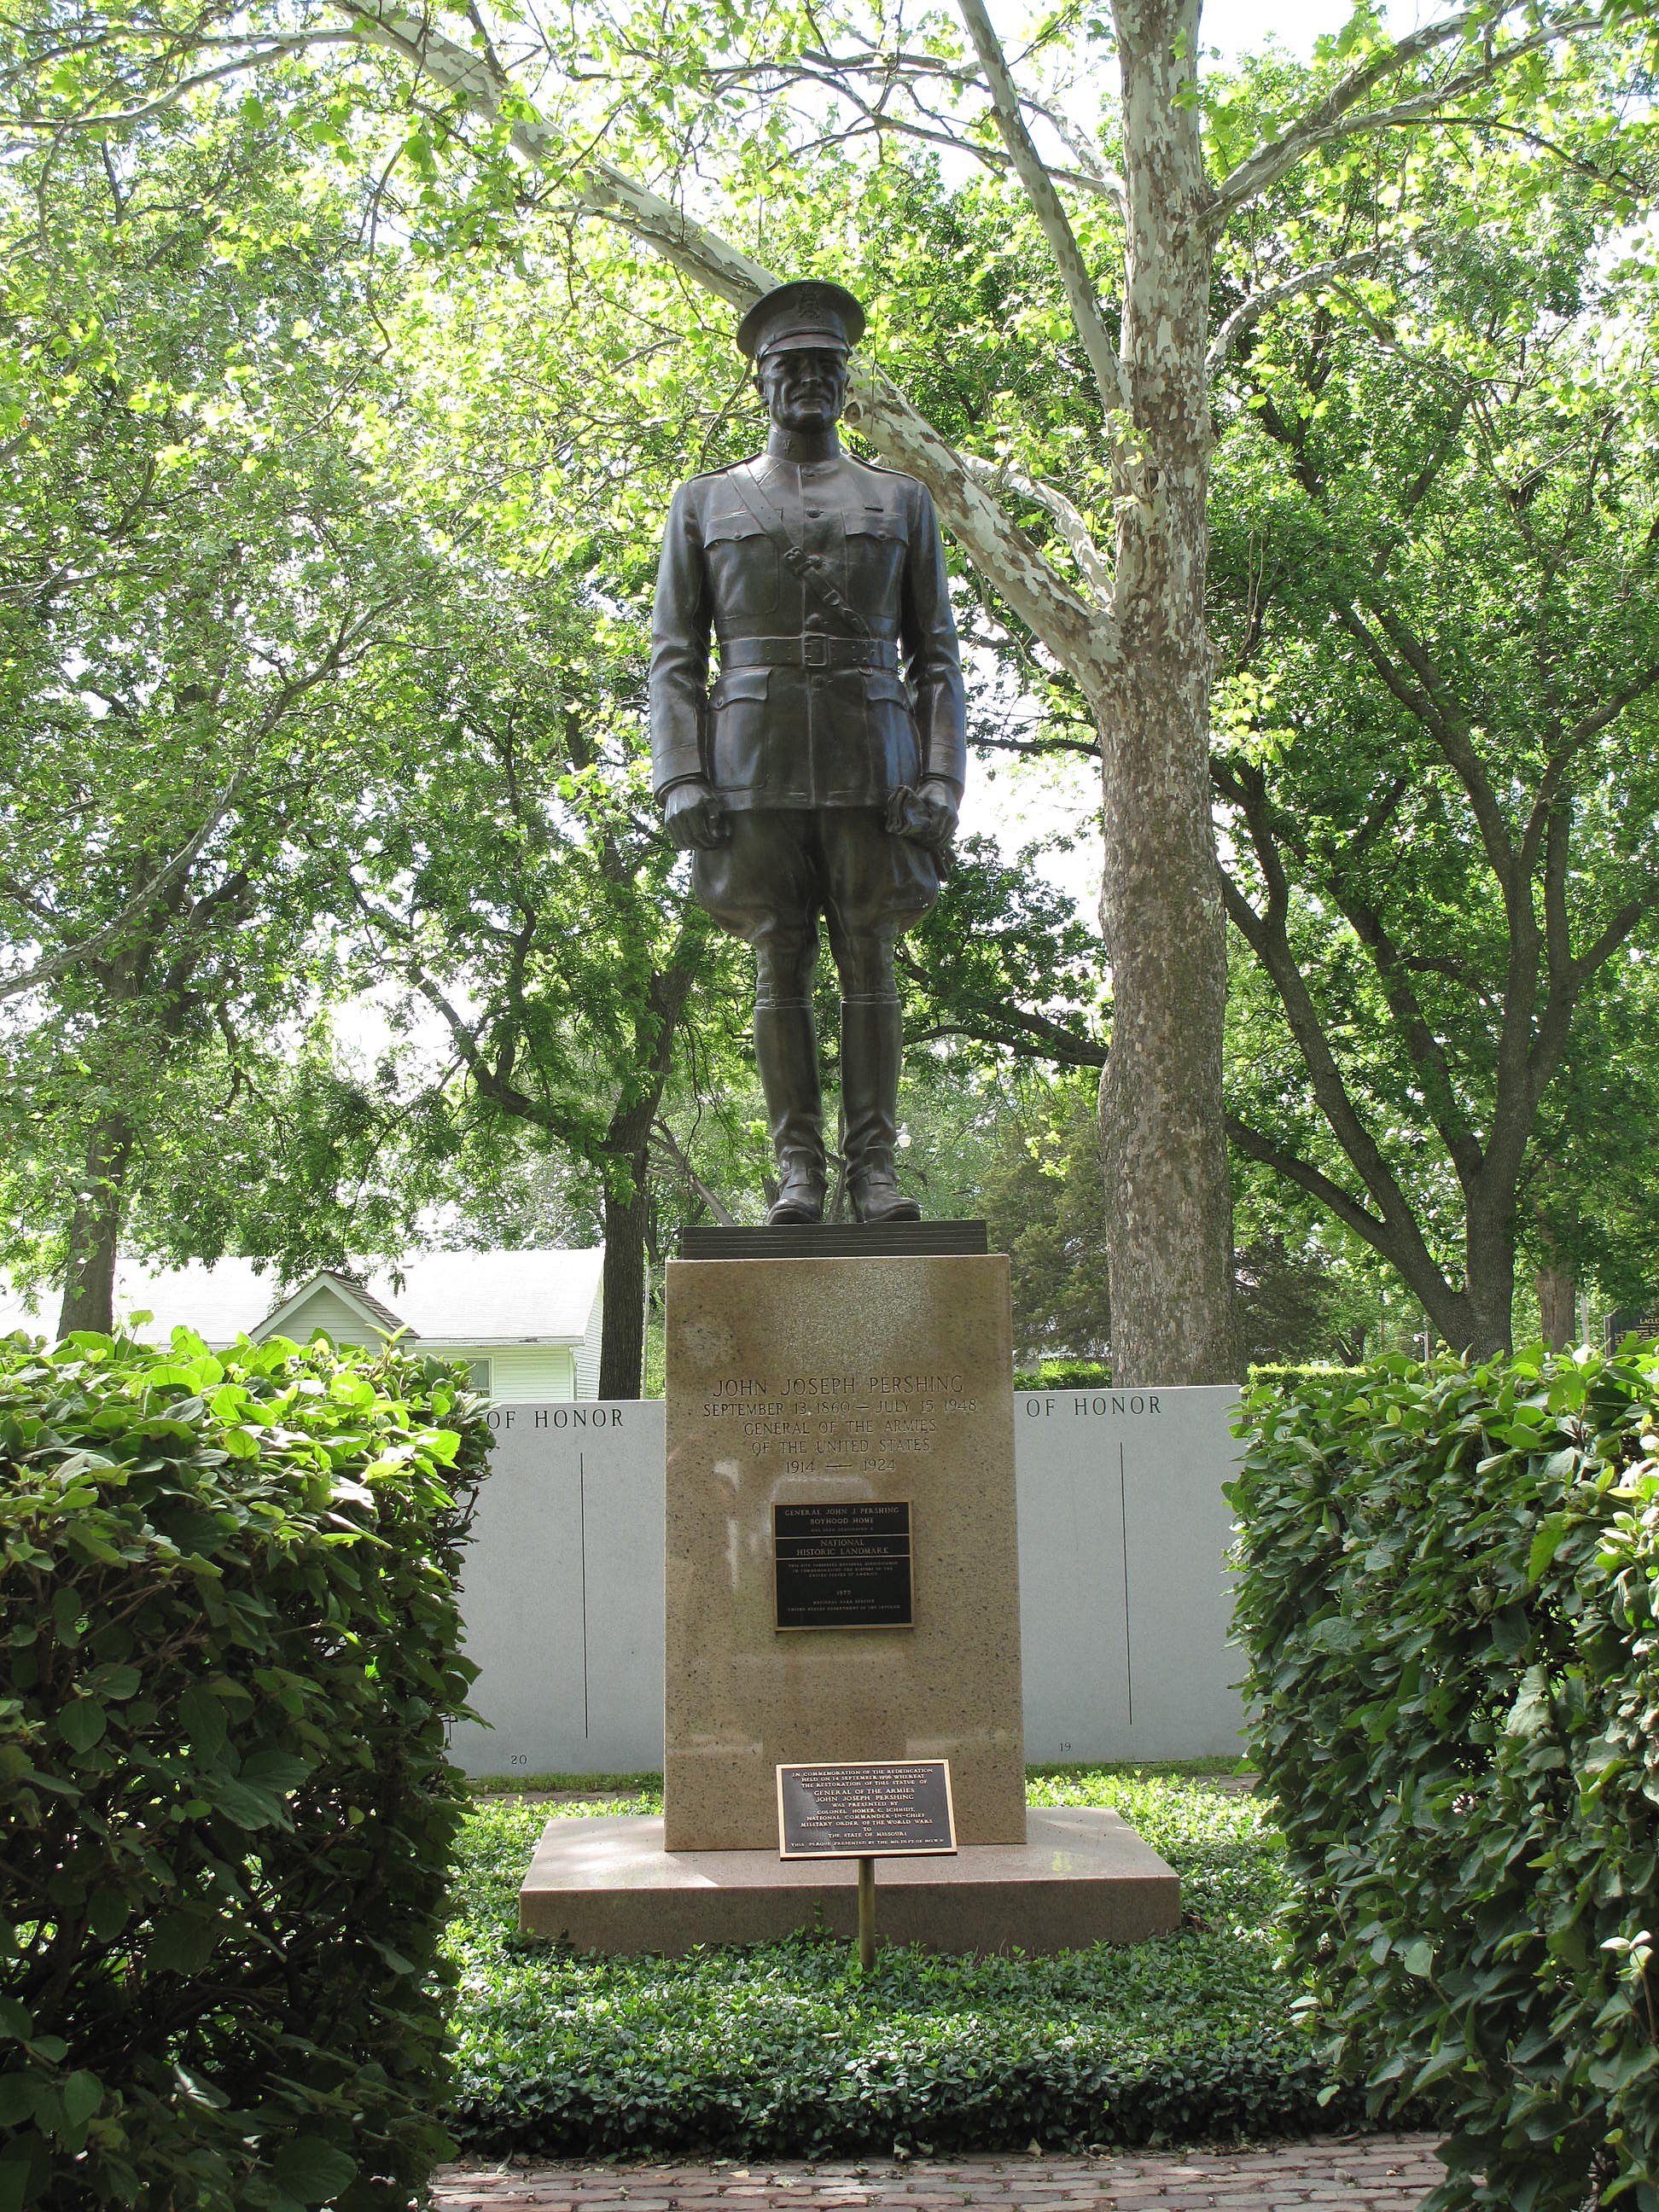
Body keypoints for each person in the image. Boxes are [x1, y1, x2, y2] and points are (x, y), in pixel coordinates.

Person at [649, 280, 968, 1225]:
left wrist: (943, 776)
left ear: (846, 380)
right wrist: (680, 775)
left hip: (877, 759)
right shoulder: (704, 502)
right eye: (790, 366)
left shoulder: (901, 501)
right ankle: (798, 1173)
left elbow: (937, 657)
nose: (809, 380)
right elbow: (675, 656)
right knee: (775, 962)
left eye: (826, 365)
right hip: (752, 760)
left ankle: (875, 1175)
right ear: (761, 381)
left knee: (872, 957)